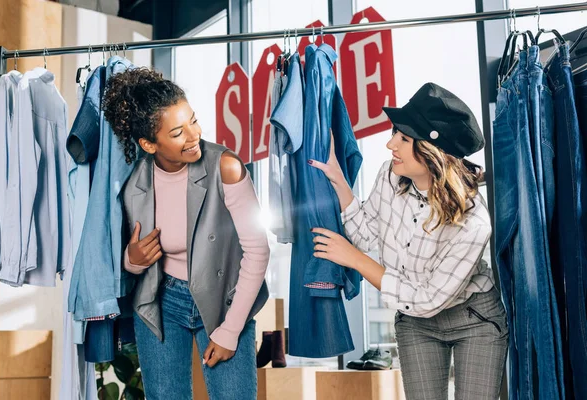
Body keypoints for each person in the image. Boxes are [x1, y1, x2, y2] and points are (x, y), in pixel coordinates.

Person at [309, 83, 508, 400]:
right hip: (415, 324)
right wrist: (338, 179)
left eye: (403, 138)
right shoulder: (390, 176)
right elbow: (363, 233)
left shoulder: (473, 222)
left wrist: (356, 260)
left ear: (433, 152)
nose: (390, 145)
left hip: (475, 321)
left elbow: (426, 299)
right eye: (393, 134)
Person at [103, 67, 270, 400]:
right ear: (149, 144)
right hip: (161, 301)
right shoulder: (135, 186)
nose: (194, 136)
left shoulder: (226, 167)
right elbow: (130, 259)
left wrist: (231, 330)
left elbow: (258, 251)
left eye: (193, 120)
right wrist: (132, 260)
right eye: (178, 132)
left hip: (224, 299)